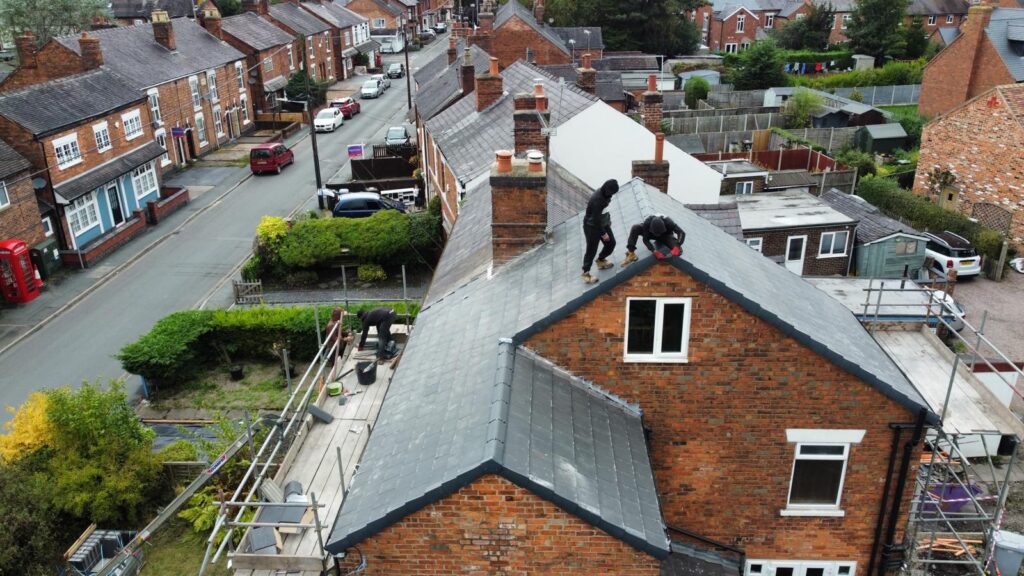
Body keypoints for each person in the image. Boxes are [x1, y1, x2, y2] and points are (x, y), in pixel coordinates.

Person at [581, 179, 619, 284]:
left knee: (611, 243)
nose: (612, 195)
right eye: (611, 193)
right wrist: (603, 233)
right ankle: (585, 273)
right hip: (591, 226)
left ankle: (601, 260)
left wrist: (608, 221)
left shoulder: (606, 194)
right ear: (607, 190)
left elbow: (603, 213)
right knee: (591, 250)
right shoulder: (598, 200)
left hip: (601, 222)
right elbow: (595, 220)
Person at [621, 215, 686, 266]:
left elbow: (682, 233)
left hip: (665, 235)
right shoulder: (647, 222)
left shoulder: (669, 222)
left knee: (679, 251)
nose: (657, 235)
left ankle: (675, 248)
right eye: (656, 234)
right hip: (650, 234)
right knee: (635, 228)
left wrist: (677, 246)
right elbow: (645, 239)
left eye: (658, 234)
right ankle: (631, 253)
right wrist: (653, 250)